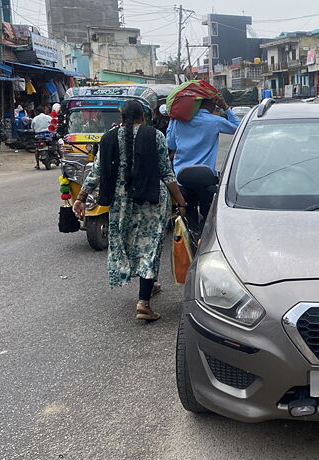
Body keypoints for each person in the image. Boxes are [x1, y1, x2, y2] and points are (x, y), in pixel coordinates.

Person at [73, 100, 188, 321]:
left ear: (121, 117)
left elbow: (96, 172)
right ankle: (144, 302)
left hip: (121, 202)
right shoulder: (155, 136)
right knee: (150, 246)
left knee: (128, 243)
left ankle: (149, 284)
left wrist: (81, 198)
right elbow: (166, 173)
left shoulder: (108, 138)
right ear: (143, 117)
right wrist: (181, 201)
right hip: (152, 201)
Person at [167, 94, 240, 233]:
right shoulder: (214, 121)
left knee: (188, 222)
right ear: (210, 103)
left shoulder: (179, 121)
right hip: (206, 179)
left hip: (182, 179)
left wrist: (173, 119)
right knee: (208, 221)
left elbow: (170, 143)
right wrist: (225, 107)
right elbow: (238, 128)